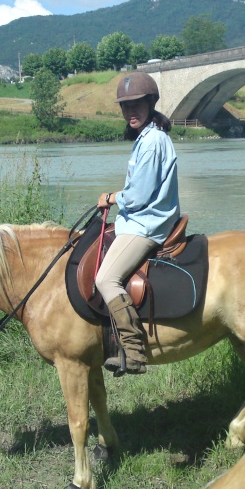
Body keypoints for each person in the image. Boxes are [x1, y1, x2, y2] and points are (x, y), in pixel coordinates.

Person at [95, 72, 180, 375]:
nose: (131, 112)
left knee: (105, 279)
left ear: (150, 103)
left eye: (137, 105)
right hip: (137, 220)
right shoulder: (146, 137)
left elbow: (140, 195)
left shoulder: (153, 140)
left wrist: (113, 196)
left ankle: (132, 349)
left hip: (147, 224)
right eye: (125, 107)